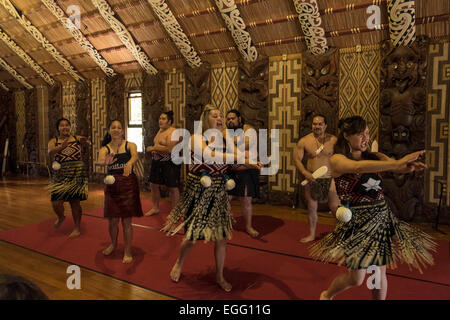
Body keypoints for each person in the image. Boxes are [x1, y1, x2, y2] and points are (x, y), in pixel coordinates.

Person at [310, 116, 436, 300]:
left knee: (378, 275)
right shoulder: (338, 159)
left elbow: (394, 166)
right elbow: (356, 167)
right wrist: (396, 163)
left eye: (367, 134)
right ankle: (327, 295)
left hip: (380, 220)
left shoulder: (374, 157)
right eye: (360, 134)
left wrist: (407, 167)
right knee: (356, 278)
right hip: (356, 224)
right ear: (346, 135)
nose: (365, 138)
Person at [161, 104, 261, 292]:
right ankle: (179, 262)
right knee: (191, 238)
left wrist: (249, 160)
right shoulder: (195, 138)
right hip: (199, 188)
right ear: (206, 119)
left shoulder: (225, 139)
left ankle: (220, 275)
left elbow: (237, 155)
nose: (220, 118)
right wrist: (242, 159)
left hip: (218, 188)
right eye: (215, 115)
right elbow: (210, 155)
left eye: (221, 115)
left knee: (222, 237)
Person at [98, 120, 143, 264]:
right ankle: (113, 244)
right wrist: (106, 162)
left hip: (128, 184)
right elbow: (99, 161)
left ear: (122, 130)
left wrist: (129, 163)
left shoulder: (130, 145)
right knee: (112, 220)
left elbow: (135, 156)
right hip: (112, 185)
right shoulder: (105, 148)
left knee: (127, 221)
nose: (116, 130)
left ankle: (128, 250)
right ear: (109, 130)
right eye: (113, 127)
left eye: (119, 127)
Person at [293, 114, 340, 243]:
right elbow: (296, 159)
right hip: (312, 177)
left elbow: (341, 158)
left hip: (330, 177)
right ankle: (312, 234)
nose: (317, 126)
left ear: (325, 126)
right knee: (312, 207)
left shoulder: (334, 140)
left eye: (320, 124)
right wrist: (304, 172)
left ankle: (338, 234)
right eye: (314, 124)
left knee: (335, 207)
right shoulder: (304, 141)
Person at [48, 118, 90, 238]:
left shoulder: (77, 138)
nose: (65, 127)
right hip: (60, 174)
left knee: (75, 202)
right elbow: (50, 152)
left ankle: (77, 227)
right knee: (56, 202)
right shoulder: (53, 141)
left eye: (67, 125)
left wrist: (85, 144)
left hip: (76, 173)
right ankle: (61, 217)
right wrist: (61, 147)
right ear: (58, 128)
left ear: (70, 127)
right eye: (62, 125)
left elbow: (88, 145)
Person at [225, 109, 260, 237]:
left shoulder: (248, 130)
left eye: (232, 118)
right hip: (231, 171)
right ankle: (227, 224)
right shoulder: (226, 132)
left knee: (246, 200)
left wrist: (229, 144)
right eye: (228, 119)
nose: (230, 121)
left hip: (246, 170)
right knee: (226, 198)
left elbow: (245, 144)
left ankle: (249, 226)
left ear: (239, 118)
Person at [145, 111, 181, 216]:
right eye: (160, 118)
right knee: (153, 184)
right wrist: (154, 149)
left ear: (169, 121)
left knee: (172, 187)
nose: (160, 120)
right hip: (157, 161)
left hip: (170, 162)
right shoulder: (160, 130)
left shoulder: (174, 132)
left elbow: (170, 149)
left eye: (163, 119)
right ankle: (155, 207)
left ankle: (175, 211)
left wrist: (154, 148)